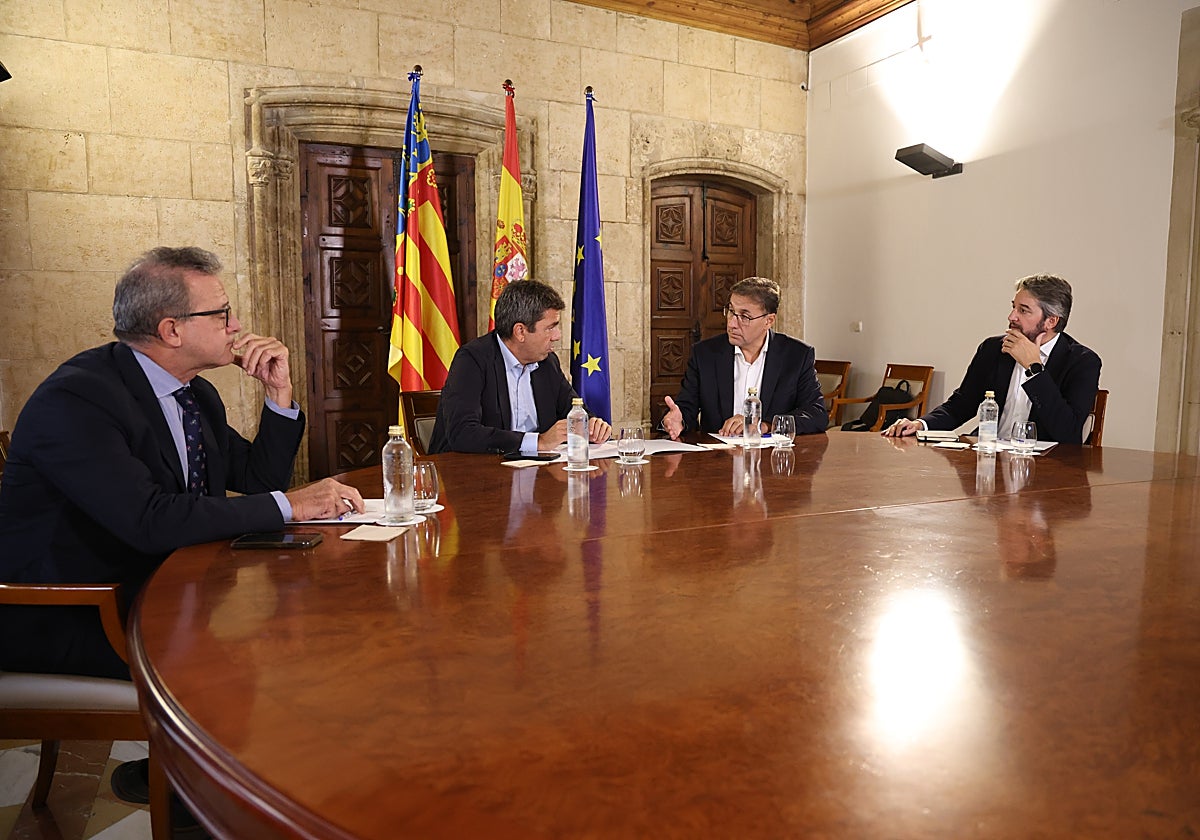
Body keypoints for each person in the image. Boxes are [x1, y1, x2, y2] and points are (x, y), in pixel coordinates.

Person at [0, 246, 363, 681]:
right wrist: (294, 505)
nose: (236, 326)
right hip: (75, 614)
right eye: (222, 314)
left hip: (171, 594)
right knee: (275, 663)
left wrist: (278, 395)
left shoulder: (195, 393)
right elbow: (150, 519)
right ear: (172, 330)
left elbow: (257, 478)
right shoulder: (78, 399)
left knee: (305, 634)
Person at [883, 274, 1101, 443]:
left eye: (1023, 310)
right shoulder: (992, 349)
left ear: (1051, 321)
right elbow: (962, 404)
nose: (1011, 317)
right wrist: (921, 425)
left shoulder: (1083, 362)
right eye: (1013, 307)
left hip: (1047, 471)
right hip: (988, 459)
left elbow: (1068, 432)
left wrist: (1034, 369)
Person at [428, 279, 611, 454]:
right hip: (471, 475)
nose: (557, 336)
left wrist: (591, 424)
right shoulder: (472, 360)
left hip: (537, 473)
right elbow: (463, 433)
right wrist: (538, 442)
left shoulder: (547, 362)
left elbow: (572, 408)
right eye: (550, 328)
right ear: (520, 331)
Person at [660, 276, 828, 439]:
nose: (732, 323)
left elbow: (816, 414)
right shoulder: (705, 354)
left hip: (771, 459)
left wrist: (764, 426)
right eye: (731, 312)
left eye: (745, 316)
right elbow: (686, 407)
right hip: (715, 458)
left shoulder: (796, 355)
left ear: (769, 321)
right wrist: (678, 420)